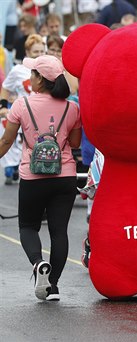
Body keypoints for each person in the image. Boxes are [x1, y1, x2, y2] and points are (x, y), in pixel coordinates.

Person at [0, 55, 81, 301]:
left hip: (33, 177)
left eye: (33, 74)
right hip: (65, 176)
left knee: (27, 226)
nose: (30, 78)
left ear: (40, 80)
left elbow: (6, 141)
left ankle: (38, 263)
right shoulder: (72, 107)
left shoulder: (21, 105)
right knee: (59, 232)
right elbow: (75, 143)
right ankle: (53, 285)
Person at [1, 34, 45, 186]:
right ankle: (14, 167)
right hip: (22, 114)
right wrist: (3, 106)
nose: (39, 55)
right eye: (35, 52)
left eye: (41, 52)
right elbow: (6, 88)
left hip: (43, 116)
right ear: (27, 52)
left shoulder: (48, 69)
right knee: (18, 143)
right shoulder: (18, 70)